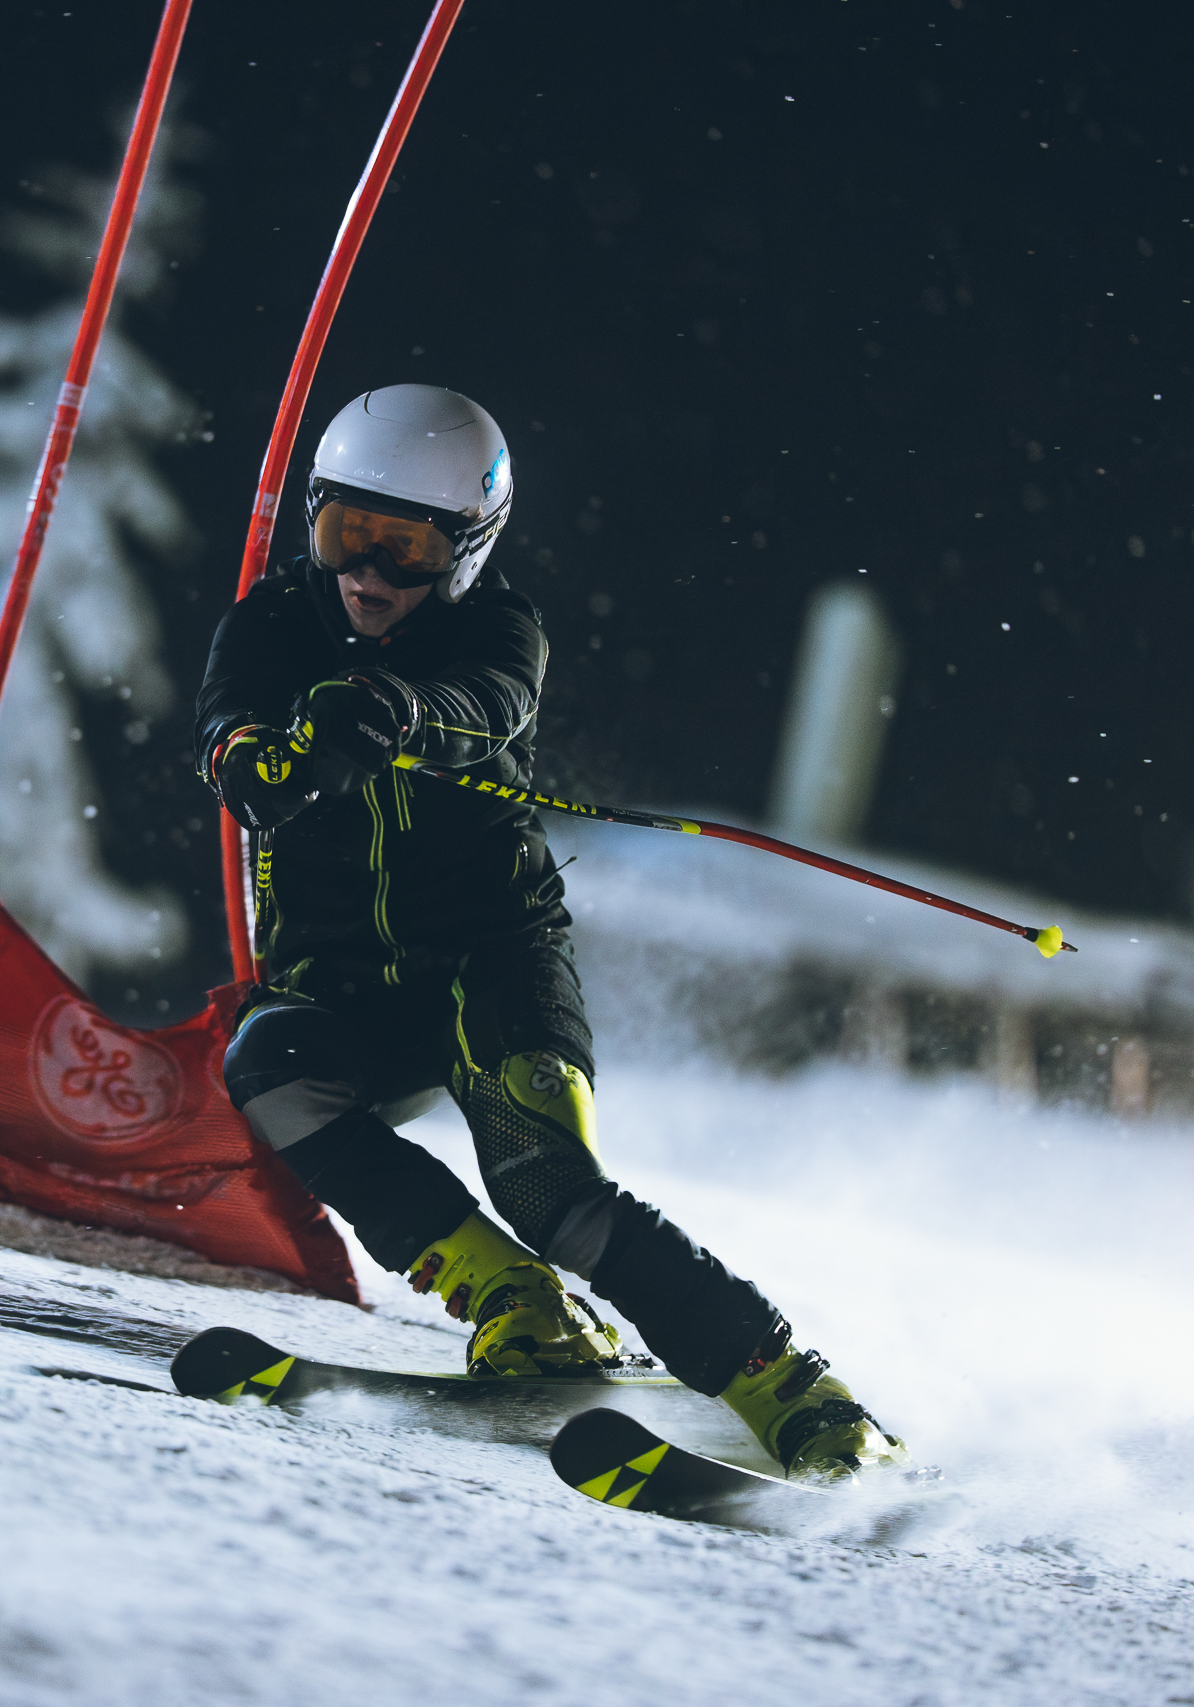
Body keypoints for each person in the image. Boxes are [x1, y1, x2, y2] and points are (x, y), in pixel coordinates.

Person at [194, 383, 904, 1480]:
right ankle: (512, 1301)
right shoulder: (272, 621)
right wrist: (259, 760)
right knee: (269, 1069)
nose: (371, 575)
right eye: (347, 535)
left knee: (547, 1186)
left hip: (493, 961)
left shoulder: (497, 626)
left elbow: (490, 698)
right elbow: (231, 725)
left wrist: (396, 710)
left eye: (408, 550)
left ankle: (792, 1390)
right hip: (341, 982)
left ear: (468, 549)